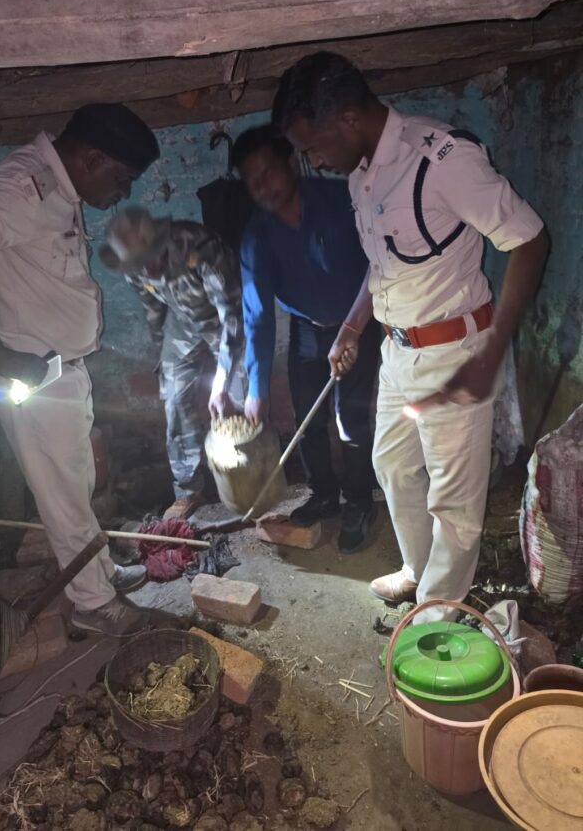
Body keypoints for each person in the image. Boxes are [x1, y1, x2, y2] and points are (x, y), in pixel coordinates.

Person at [272, 52, 548, 622]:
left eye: (314, 146)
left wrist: (493, 352)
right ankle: (419, 571)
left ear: (349, 118)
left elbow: (529, 240)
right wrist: (352, 327)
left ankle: (438, 612)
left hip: (456, 353)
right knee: (392, 466)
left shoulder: (443, 160)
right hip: (397, 351)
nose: (314, 161)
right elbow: (384, 267)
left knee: (454, 501)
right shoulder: (362, 175)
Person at [0, 104, 161, 637]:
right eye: (121, 178)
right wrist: (1, 358)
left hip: (60, 369)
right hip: (31, 375)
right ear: (91, 158)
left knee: (77, 483)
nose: (122, 193)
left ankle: (98, 572)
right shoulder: (20, 191)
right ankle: (95, 605)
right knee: (63, 495)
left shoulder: (57, 188)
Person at [232, 125, 381, 552]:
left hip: (357, 324)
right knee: (307, 420)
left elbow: (379, 262)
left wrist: (355, 329)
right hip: (307, 331)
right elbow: (257, 315)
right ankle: (324, 495)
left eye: (268, 172)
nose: (263, 186)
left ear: (291, 163)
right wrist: (256, 390)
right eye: (252, 180)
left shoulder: (342, 200)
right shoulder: (256, 236)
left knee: (351, 417)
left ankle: (359, 501)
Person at [100, 207, 244, 519]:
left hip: (222, 321)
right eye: (137, 264)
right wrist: (163, 356)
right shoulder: (132, 267)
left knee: (240, 397)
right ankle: (188, 490)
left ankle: (249, 481)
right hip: (182, 323)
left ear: (161, 241)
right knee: (175, 400)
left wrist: (222, 382)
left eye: (149, 258)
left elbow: (231, 319)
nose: (145, 269)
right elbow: (153, 308)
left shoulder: (202, 249)